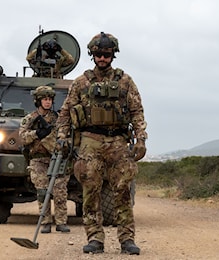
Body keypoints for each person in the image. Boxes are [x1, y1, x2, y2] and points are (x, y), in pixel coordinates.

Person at [55, 32, 148, 255]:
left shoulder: (125, 81)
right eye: (98, 54)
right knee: (90, 190)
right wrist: (62, 137)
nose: (102, 58)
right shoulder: (81, 82)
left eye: (106, 54)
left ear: (112, 55)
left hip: (117, 140)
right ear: (92, 55)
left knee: (122, 189)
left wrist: (141, 138)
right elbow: (66, 113)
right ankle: (95, 237)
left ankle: (126, 239)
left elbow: (136, 111)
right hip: (90, 141)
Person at [19, 86, 71, 233]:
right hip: (38, 160)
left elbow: (65, 135)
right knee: (42, 191)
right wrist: (37, 133)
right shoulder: (30, 119)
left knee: (60, 191)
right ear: (38, 101)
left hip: (56, 159)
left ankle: (61, 222)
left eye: (49, 99)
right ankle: (46, 222)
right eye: (44, 99)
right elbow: (22, 138)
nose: (47, 102)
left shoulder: (58, 119)